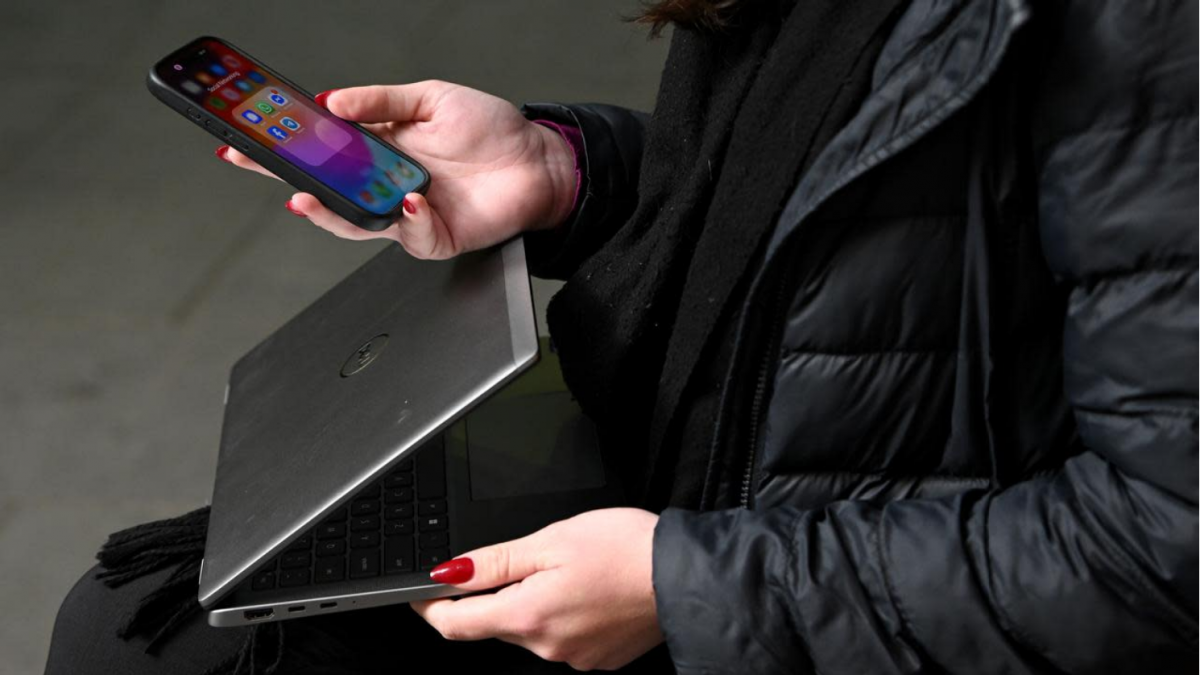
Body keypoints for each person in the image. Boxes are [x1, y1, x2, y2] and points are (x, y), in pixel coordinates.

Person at [47, 0, 1200, 673]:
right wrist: (562, 171)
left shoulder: (1147, 37)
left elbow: (1163, 551)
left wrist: (686, 589)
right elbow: (837, 213)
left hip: (807, 587)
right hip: (670, 491)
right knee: (135, 628)